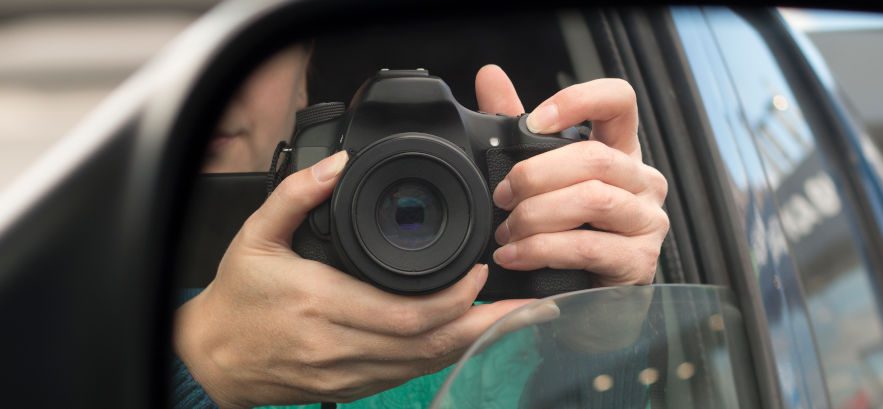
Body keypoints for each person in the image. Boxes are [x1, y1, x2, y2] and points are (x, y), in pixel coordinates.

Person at [172, 45, 670, 408]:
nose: (216, 78)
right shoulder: (95, 272)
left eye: (244, 46)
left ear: (303, 72)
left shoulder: (518, 303)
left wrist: (599, 334)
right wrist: (207, 359)